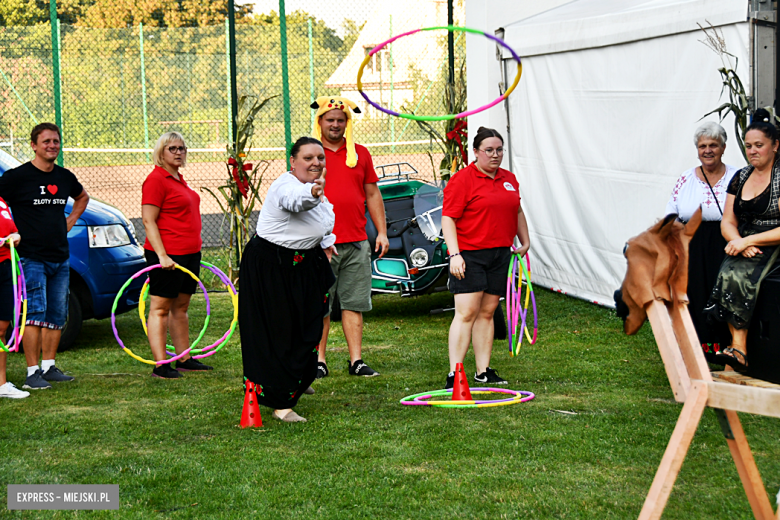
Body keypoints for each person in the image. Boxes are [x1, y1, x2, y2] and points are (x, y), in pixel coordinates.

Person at [239, 137, 336, 423]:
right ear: (293, 162)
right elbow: (297, 202)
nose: (316, 162)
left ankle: (297, 378)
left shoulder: (317, 190)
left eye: (320, 158)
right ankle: (281, 403)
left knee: (309, 324)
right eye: (308, 158)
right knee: (279, 331)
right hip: (271, 266)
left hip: (302, 263)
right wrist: (314, 192)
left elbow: (322, 221)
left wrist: (327, 241)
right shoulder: (287, 186)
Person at [0, 122, 89, 390]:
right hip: (30, 256)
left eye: (56, 141)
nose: (52, 146)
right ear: (34, 145)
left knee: (56, 314)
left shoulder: (63, 177)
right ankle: (31, 372)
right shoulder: (18, 177)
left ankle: (49, 367)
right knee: (34, 314)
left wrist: (72, 219)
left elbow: (82, 197)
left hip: (60, 256)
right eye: (46, 142)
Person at [441, 127, 530, 389]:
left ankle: (483, 371)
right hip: (469, 254)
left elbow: (517, 210)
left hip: (500, 253)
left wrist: (525, 240)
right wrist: (454, 254)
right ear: (476, 152)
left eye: (499, 150)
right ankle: (454, 373)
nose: (495, 155)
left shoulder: (509, 178)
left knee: (488, 312)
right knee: (466, 312)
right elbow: (448, 218)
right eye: (489, 150)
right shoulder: (462, 180)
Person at [310, 96, 389, 378]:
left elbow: (372, 194)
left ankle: (356, 360)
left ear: (347, 123)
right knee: (321, 304)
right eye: (330, 119)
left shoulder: (361, 154)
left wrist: (381, 231)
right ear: (319, 121)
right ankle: (318, 361)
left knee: (354, 303)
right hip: (319, 244)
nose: (335, 124)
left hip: (356, 241)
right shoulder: (310, 155)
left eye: (340, 120)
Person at [705, 109, 780, 371]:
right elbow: (727, 221)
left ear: (775, 145)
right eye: (748, 146)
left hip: (773, 242)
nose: (753, 151)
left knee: (737, 274)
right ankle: (737, 351)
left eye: (759, 145)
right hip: (744, 241)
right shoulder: (741, 177)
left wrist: (748, 243)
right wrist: (738, 240)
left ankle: (739, 351)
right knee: (727, 272)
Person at [665, 122, 738, 362]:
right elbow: (672, 212)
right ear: (697, 149)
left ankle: (724, 349)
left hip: (723, 242)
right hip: (692, 245)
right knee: (695, 294)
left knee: (721, 294)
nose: (708, 150)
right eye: (702, 146)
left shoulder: (737, 177)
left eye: (713, 145)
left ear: (723, 148)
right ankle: (699, 351)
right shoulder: (686, 178)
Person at [142, 131, 211, 379]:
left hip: (190, 253)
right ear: (161, 152)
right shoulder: (156, 180)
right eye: (172, 148)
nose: (179, 152)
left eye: (182, 148)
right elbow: (148, 220)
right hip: (167, 256)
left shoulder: (178, 179)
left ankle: (184, 358)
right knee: (160, 308)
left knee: (181, 307)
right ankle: (161, 365)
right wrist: (162, 255)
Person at [0, 201, 27, 398]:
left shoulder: (2, 202)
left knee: (1, 328)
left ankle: (1, 384)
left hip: (5, 266)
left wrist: (15, 237)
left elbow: (15, 230)